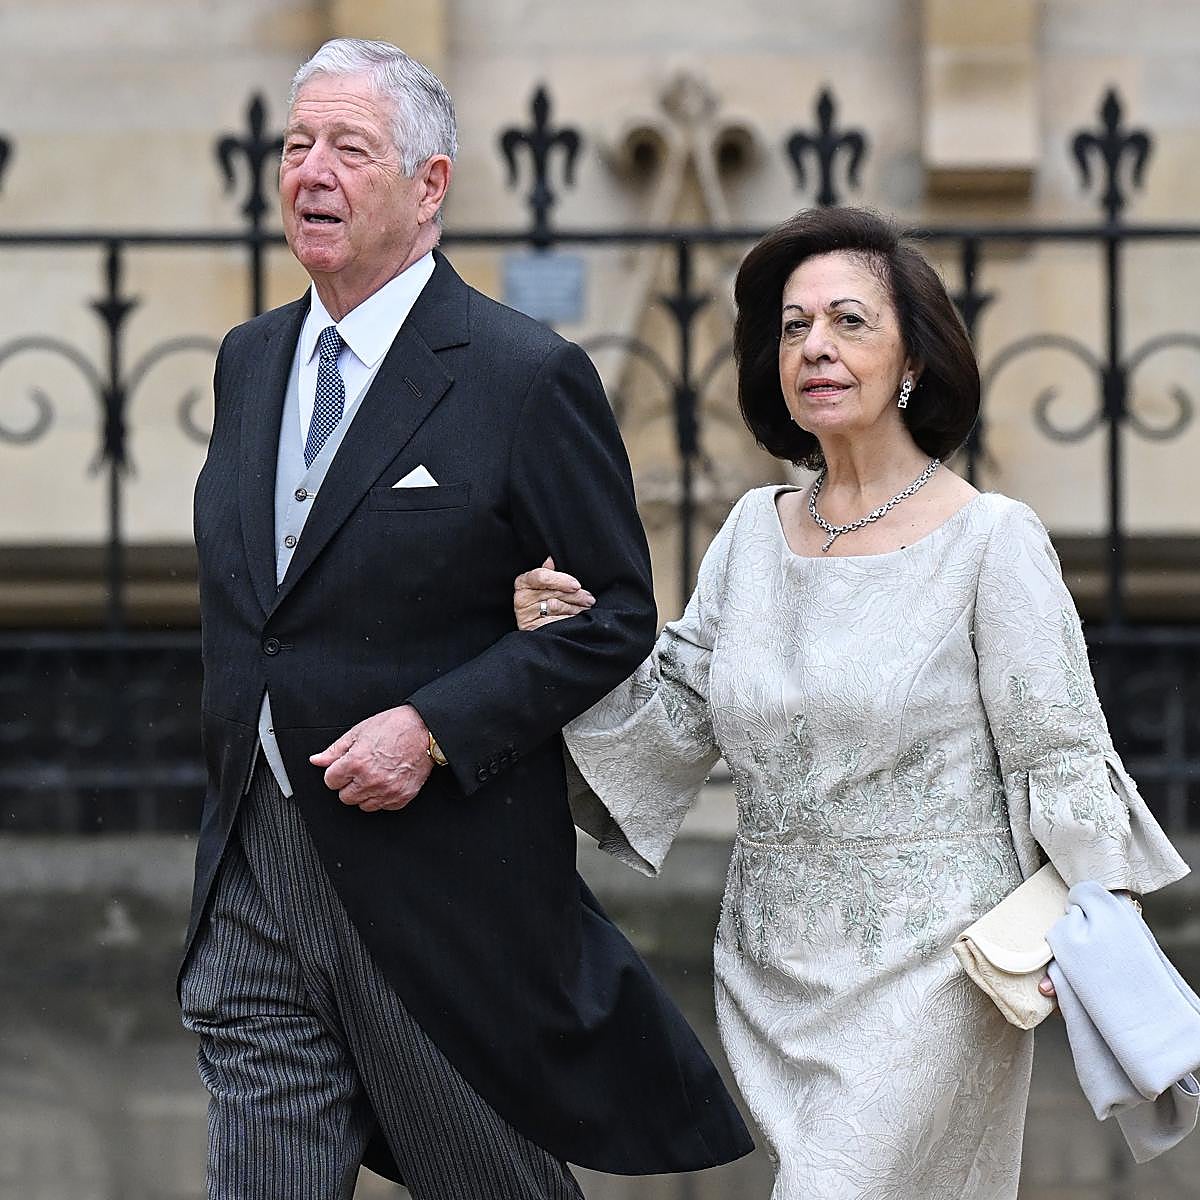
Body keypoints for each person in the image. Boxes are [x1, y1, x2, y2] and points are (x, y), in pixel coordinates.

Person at [513, 205, 1189, 1199]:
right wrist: (563, 641)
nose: (815, 347)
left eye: (848, 321)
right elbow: (673, 719)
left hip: (941, 974)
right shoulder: (750, 533)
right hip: (770, 967)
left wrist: (1098, 918)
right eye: (794, 327)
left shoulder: (991, 540)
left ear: (912, 360)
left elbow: (1060, 751)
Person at [179, 36, 752, 1200]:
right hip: (252, 865)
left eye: (350, 148)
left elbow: (614, 614)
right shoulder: (250, 361)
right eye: (297, 146)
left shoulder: (520, 375)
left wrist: (433, 729)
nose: (311, 172)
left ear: (429, 185)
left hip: (432, 890)